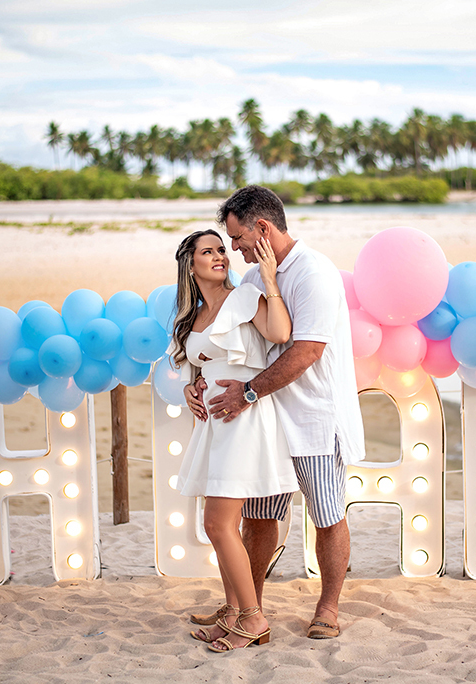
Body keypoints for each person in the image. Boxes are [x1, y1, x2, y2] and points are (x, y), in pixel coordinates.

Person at [187, 185, 365, 639]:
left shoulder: (314, 273)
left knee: (326, 514)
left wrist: (248, 392)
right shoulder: (251, 281)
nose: (238, 252)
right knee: (260, 516)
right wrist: (195, 383)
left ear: (262, 228)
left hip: (313, 418)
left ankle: (327, 608)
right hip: (266, 422)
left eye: (240, 240)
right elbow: (229, 341)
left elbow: (306, 350)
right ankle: (248, 608)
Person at [171, 228, 297, 653]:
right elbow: (200, 363)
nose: (220, 255)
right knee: (219, 524)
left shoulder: (244, 296)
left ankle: (253, 617)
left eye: (222, 248)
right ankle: (231, 612)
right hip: (213, 425)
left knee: (217, 523)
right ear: (191, 265)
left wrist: (271, 280)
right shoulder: (193, 318)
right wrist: (192, 386)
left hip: (242, 419)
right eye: (208, 251)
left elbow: (280, 334)